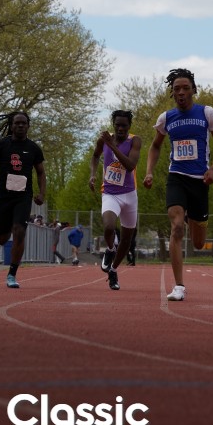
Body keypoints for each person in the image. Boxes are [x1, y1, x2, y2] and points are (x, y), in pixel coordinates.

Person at [143, 68, 213, 302]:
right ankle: (179, 286)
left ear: (193, 90)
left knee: (199, 243)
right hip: (177, 177)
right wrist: (149, 172)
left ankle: (196, 219)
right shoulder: (166, 118)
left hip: (200, 181)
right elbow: (155, 146)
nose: (181, 92)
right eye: (176, 89)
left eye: (185, 88)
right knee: (177, 228)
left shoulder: (207, 113)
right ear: (172, 93)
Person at [0, 112, 47, 289]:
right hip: (4, 196)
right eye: (17, 123)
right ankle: (9, 225)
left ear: (28, 126)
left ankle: (12, 273)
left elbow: (41, 172)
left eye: (24, 123)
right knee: (2, 239)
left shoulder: (33, 148)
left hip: (23, 196)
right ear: (11, 126)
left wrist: (42, 194)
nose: (20, 126)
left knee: (19, 231)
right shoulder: (2, 144)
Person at [89, 110, 142, 291]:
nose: (120, 129)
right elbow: (95, 156)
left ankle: (113, 270)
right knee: (109, 227)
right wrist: (93, 174)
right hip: (110, 193)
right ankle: (110, 249)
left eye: (124, 126)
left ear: (129, 126)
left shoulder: (134, 141)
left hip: (130, 195)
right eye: (117, 125)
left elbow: (130, 166)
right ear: (113, 124)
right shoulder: (104, 140)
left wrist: (112, 147)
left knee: (127, 239)